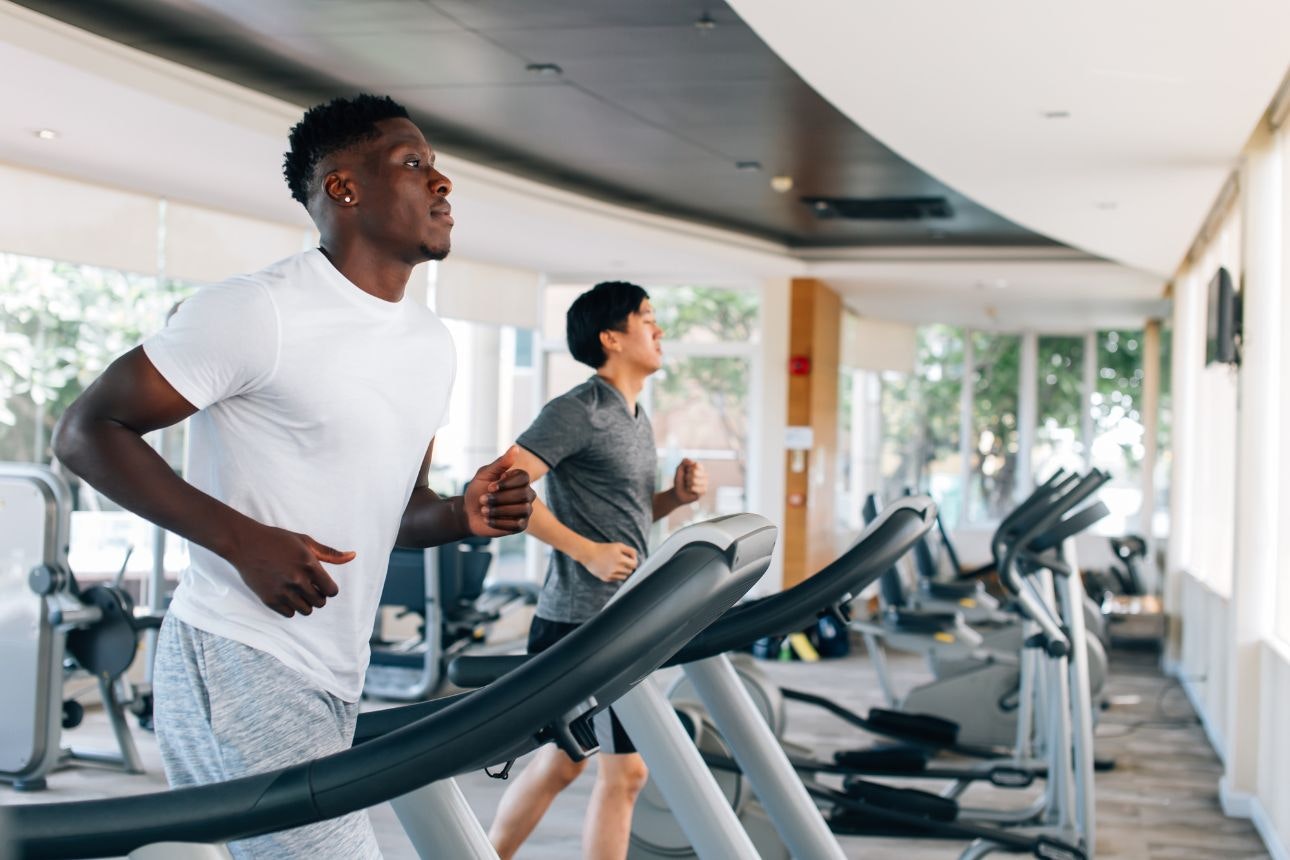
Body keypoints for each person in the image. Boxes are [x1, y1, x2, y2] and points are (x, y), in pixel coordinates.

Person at [52, 94, 535, 859]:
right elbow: (87, 432)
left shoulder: (430, 345)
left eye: (438, 169)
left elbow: (397, 510)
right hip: (238, 650)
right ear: (343, 188)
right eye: (415, 164)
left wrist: (459, 516)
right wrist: (243, 542)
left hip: (339, 667)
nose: (442, 184)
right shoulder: (257, 312)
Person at [488, 281, 708, 860]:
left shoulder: (634, 415)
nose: (659, 331)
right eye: (647, 319)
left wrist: (673, 500)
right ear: (611, 337)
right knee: (625, 774)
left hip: (622, 617)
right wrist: (585, 550)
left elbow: (626, 515)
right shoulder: (577, 410)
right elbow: (500, 488)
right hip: (580, 623)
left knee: (563, 764)